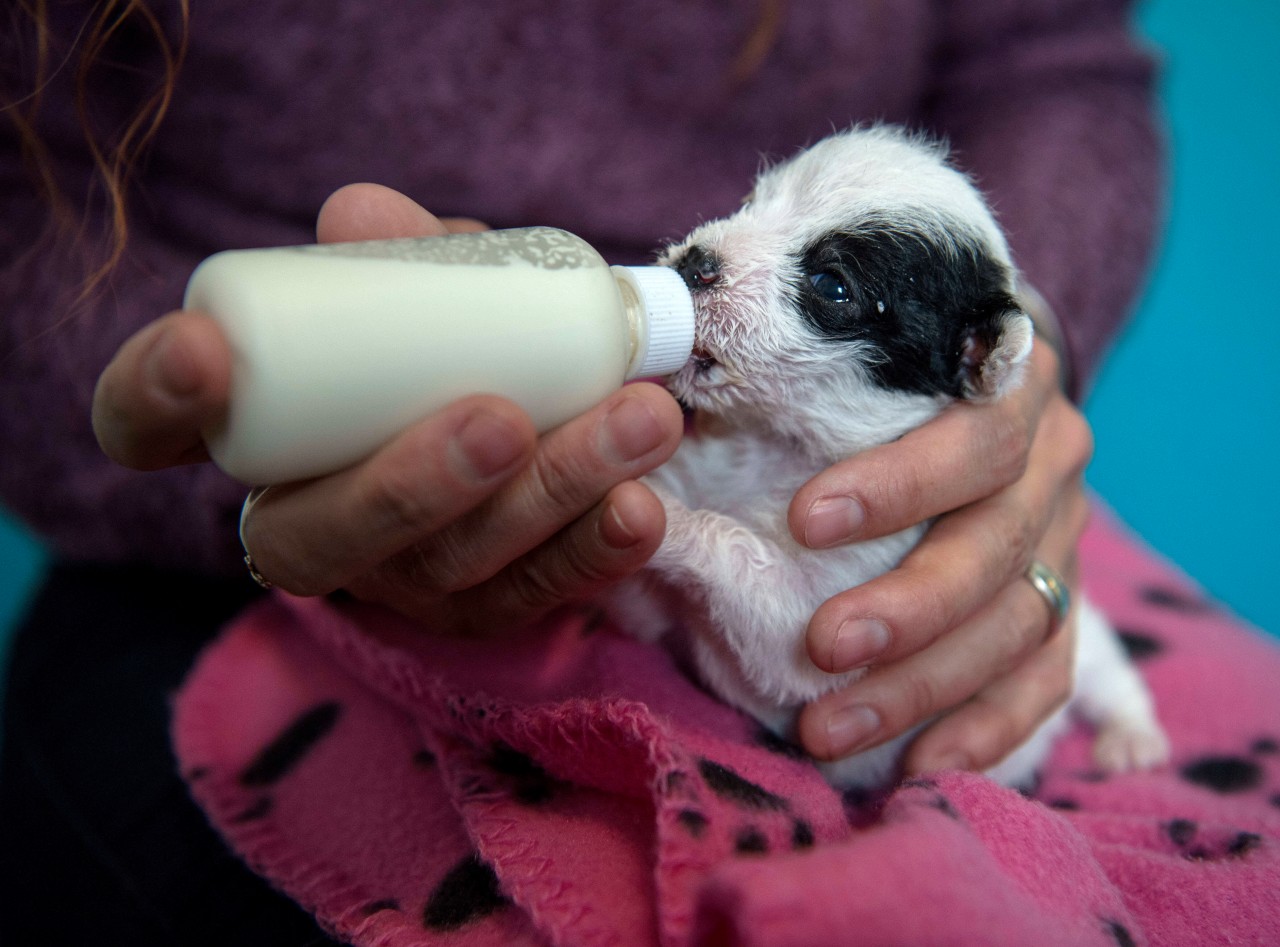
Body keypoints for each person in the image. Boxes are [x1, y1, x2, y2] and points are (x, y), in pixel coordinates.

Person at [0, 0, 1162, 943]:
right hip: (212, 584)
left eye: (828, 290)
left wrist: (1031, 357)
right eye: (755, 202)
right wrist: (232, 451)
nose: (710, 248)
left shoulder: (946, 386)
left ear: (970, 361)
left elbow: (1052, 60)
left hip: (868, 633)